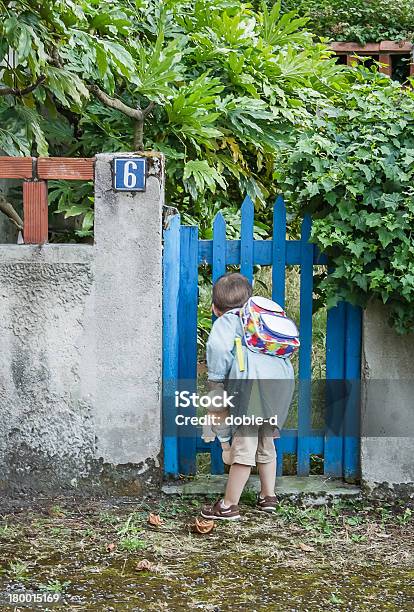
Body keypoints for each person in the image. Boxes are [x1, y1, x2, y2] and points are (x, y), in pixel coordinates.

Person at [200, 272, 295, 520]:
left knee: (244, 445)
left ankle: (229, 504)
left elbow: (218, 348)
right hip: (278, 387)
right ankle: (268, 496)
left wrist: (217, 380)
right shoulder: (259, 319)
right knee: (266, 441)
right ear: (249, 300)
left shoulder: (228, 320)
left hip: (251, 390)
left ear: (215, 308)